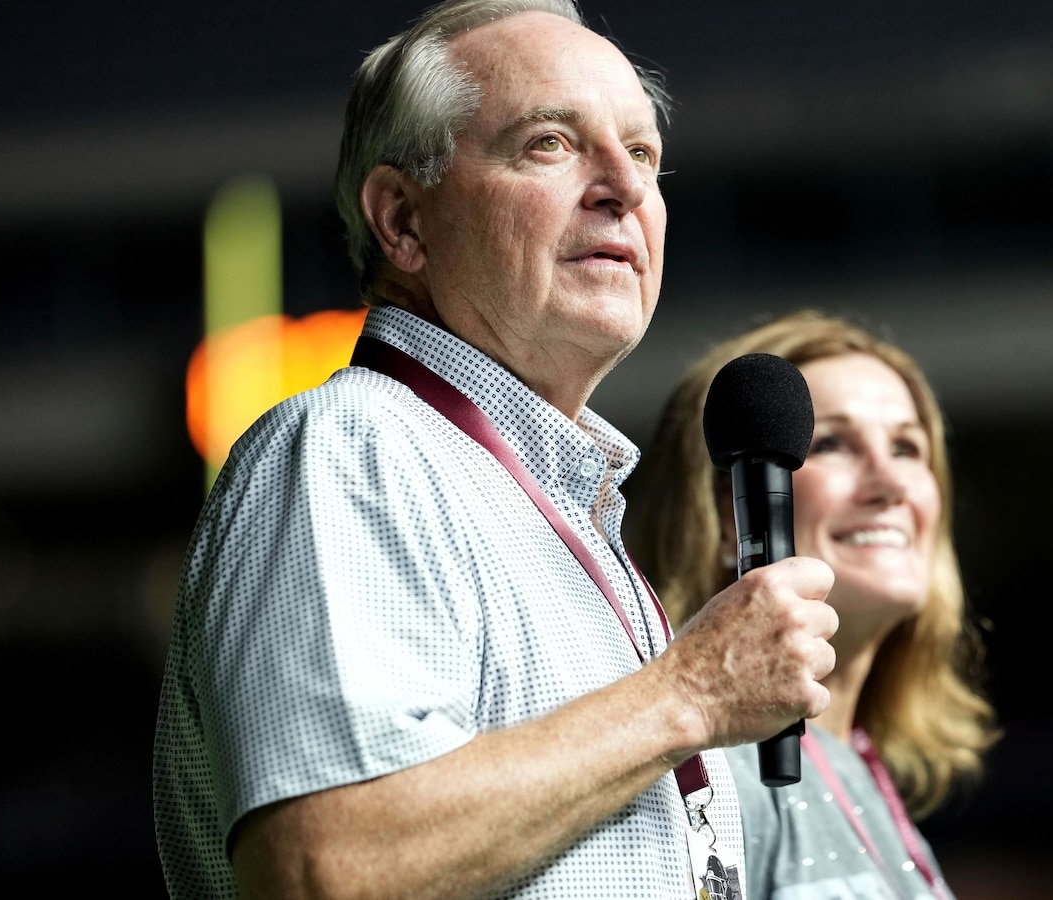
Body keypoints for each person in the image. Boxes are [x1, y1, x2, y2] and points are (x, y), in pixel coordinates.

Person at [152, 3, 839, 898]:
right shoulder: (351, 451)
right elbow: (327, 866)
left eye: (642, 154)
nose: (624, 189)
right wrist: (692, 694)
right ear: (403, 220)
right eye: (551, 144)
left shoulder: (551, 502)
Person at [631, 310, 999, 900]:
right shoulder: (705, 778)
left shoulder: (858, 767)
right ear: (727, 516)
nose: (890, 484)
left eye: (907, 448)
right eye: (831, 443)